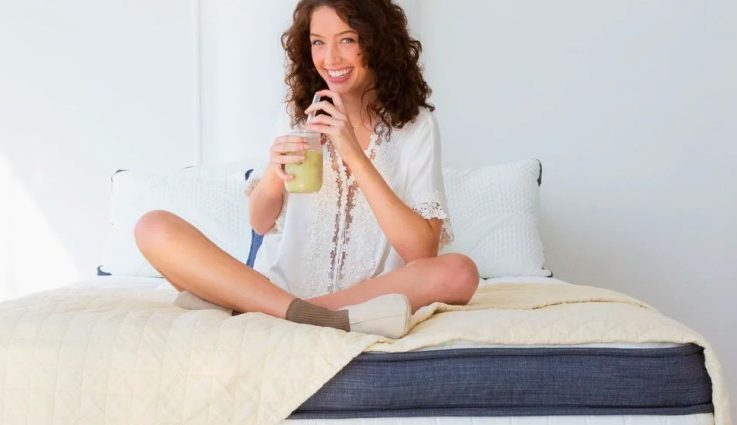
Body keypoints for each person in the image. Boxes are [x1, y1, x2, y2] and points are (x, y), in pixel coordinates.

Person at [135, 0, 479, 339]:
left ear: (377, 41)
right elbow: (259, 221)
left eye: (347, 39)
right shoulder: (298, 116)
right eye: (318, 42)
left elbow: (421, 252)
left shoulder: (416, 127)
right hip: (277, 286)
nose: (330, 59)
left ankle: (281, 310)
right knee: (152, 227)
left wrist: (354, 154)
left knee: (460, 272)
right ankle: (303, 313)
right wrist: (273, 172)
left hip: (366, 298)